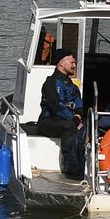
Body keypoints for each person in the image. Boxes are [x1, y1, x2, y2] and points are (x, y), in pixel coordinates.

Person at [38, 48, 87, 179]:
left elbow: (79, 106)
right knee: (69, 127)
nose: (74, 65)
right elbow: (56, 107)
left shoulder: (72, 86)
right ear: (61, 63)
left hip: (70, 120)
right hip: (48, 121)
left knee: (89, 126)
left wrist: (78, 117)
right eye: (72, 62)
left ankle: (85, 163)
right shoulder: (51, 83)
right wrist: (74, 121)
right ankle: (68, 164)